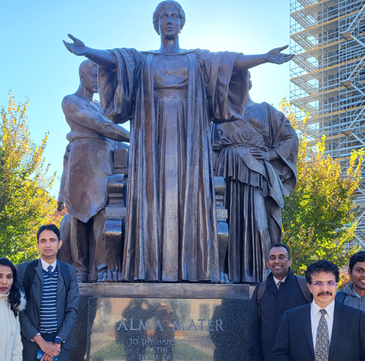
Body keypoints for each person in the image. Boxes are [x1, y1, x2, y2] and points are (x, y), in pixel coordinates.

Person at [64, 1, 294, 282]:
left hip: (190, 143)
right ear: (156, 24)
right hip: (152, 142)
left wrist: (264, 57)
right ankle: (147, 268)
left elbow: (228, 62)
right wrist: (87, 51)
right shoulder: (142, 60)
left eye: (174, 16)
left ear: (182, 23)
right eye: (163, 16)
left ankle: (195, 268)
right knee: (149, 198)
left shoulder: (196, 59)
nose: (169, 20)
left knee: (192, 197)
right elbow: (116, 60)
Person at [212, 73, 299, 283]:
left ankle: (259, 276)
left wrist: (272, 154)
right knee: (224, 222)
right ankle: (223, 273)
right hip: (223, 173)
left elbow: (291, 137)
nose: (236, 84)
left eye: (239, 79)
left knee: (258, 223)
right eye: (230, 81)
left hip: (254, 174)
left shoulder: (265, 110)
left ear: (249, 82)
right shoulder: (217, 115)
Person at [59, 59, 130, 282]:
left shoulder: (100, 106)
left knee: (103, 211)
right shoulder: (71, 101)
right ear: (82, 77)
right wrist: (139, 137)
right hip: (83, 160)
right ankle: (79, 270)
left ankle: (102, 267)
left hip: (105, 161)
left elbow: (113, 132)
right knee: (79, 216)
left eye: (100, 77)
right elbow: (104, 126)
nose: (98, 82)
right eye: (93, 76)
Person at [12, 224, 80, 361]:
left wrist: (56, 343)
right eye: (43, 240)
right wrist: (41, 341)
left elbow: (72, 310)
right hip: (32, 344)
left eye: (52, 240)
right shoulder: (24, 270)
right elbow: (19, 311)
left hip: (59, 344)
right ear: (38, 244)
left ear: (59, 244)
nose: (48, 244)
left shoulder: (69, 272)